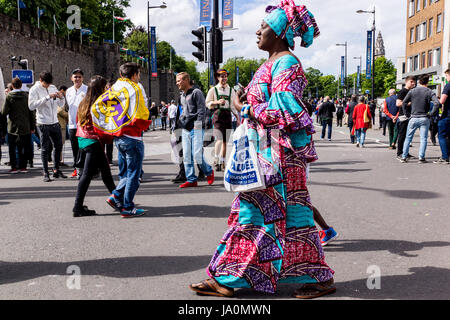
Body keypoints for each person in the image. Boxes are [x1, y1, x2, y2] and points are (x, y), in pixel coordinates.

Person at [189, 1, 335, 299]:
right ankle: (314, 276)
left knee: (259, 214)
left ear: (279, 32)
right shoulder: (270, 64)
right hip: (266, 152)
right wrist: (247, 104)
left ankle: (229, 278)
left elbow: (288, 109)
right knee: (289, 217)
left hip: (278, 155)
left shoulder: (288, 63)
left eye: (264, 27)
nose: (258, 31)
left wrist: (246, 107)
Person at [102, 63, 150, 217]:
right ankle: (125, 204)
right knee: (134, 173)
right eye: (139, 74)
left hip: (118, 135)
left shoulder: (114, 88)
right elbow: (143, 113)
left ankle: (118, 198)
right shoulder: (135, 88)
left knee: (127, 172)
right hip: (132, 135)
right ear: (135, 74)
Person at [73, 76, 116, 217]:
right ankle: (77, 207)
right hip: (94, 140)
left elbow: (77, 120)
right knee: (87, 175)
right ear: (101, 88)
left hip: (83, 139)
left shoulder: (84, 102)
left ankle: (118, 200)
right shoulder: (99, 103)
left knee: (105, 173)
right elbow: (104, 125)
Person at [176, 72, 214, 188]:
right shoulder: (182, 95)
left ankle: (208, 171)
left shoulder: (196, 92)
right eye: (177, 81)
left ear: (186, 80)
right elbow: (183, 111)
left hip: (196, 127)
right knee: (187, 154)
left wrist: (198, 125)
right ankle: (191, 179)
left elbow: (202, 110)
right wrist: (180, 122)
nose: (177, 83)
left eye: (179, 81)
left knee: (197, 154)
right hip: (186, 128)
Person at [28, 71, 67, 182]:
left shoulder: (53, 87)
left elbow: (61, 105)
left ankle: (56, 170)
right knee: (45, 149)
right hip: (42, 123)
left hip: (54, 122)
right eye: (46, 84)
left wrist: (61, 97)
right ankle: (46, 172)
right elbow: (31, 106)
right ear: (40, 81)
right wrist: (46, 97)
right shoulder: (34, 89)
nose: (48, 86)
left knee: (58, 146)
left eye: (49, 84)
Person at [400, 75, 441, 163]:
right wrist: (431, 114)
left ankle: (404, 157)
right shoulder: (429, 91)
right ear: (427, 82)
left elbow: (404, 103)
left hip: (413, 117)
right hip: (424, 118)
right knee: (423, 139)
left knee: (408, 138)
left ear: (419, 82)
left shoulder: (412, 91)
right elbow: (437, 103)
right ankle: (421, 158)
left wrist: (407, 115)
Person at [206, 69, 238, 171]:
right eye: (221, 76)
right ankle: (216, 159)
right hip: (217, 114)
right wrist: (217, 102)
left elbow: (233, 105)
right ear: (217, 77)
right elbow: (208, 103)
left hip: (227, 115)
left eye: (225, 76)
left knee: (225, 140)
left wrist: (237, 117)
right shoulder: (213, 90)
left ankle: (223, 161)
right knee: (219, 138)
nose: (224, 78)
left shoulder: (231, 90)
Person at [1, 77, 35, 173]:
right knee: (23, 147)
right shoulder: (26, 96)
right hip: (25, 126)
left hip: (12, 126)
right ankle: (23, 166)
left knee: (12, 148)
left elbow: (4, 112)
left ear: (12, 86)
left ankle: (14, 167)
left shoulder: (9, 97)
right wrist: (32, 126)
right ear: (21, 85)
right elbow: (31, 112)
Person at [66, 68, 88, 178]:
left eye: (79, 76)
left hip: (83, 124)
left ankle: (84, 169)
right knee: (74, 148)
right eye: (75, 76)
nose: (77, 78)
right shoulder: (69, 91)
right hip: (72, 124)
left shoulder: (87, 90)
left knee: (83, 148)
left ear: (83, 78)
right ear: (72, 78)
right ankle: (76, 168)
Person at [434, 69, 450, 164]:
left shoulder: (448, 86)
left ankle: (445, 157)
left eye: (447, 76)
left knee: (442, 136)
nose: (446, 78)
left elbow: (442, 101)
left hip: (447, 115)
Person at [57, 85, 69, 166]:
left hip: (62, 124)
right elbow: (59, 110)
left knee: (61, 143)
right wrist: (69, 115)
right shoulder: (59, 98)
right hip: (60, 124)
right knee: (60, 143)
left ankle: (60, 160)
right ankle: (59, 160)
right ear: (62, 90)